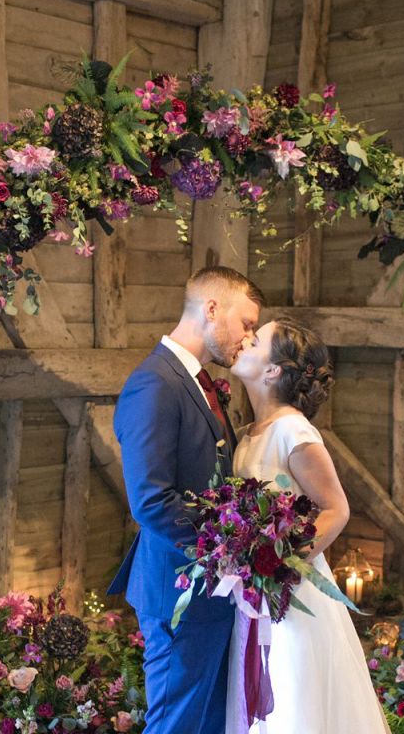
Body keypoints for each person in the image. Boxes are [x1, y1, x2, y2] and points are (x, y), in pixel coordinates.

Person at [108, 266, 265, 734]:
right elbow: (151, 501)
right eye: (247, 323)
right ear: (211, 309)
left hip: (210, 591)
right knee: (176, 725)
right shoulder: (155, 383)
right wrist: (232, 549)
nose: (249, 337)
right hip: (179, 588)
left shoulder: (195, 380)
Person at [226, 317, 391, 734]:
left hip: (290, 592)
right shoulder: (249, 433)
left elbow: (336, 508)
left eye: (256, 338)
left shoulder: (292, 429)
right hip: (254, 591)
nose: (245, 339)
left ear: (272, 370)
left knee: (293, 697)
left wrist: (279, 564)